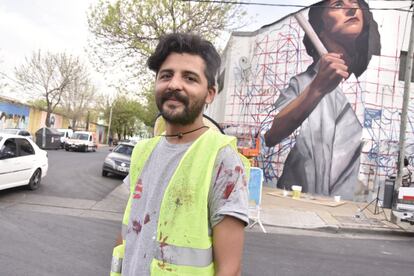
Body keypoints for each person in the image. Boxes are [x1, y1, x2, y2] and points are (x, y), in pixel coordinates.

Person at [111, 33, 249, 276]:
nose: (174, 84)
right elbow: (129, 233)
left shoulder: (222, 159)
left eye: (190, 77)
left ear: (210, 93)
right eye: (166, 75)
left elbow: (230, 269)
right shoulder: (142, 151)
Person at [264, 0, 381, 199]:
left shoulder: (368, 90)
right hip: (299, 208)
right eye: (337, 5)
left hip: (349, 213)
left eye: (355, 2)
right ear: (320, 29)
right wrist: (316, 89)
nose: (352, 8)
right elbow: (269, 136)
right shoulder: (301, 84)